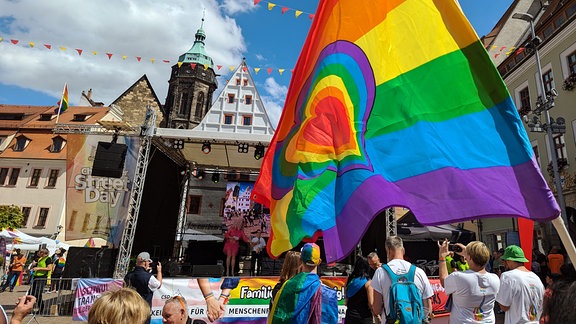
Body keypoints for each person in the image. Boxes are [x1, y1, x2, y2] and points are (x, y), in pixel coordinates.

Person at [269, 243, 338, 323]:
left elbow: (278, 318)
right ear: (319, 261)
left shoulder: (286, 288)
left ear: (300, 260)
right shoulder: (329, 294)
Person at [371, 236, 434, 322]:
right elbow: (428, 308)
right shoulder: (419, 272)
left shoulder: (380, 272)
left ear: (388, 250)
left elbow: (376, 309)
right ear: (403, 250)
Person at [438, 240, 500, 323]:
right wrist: (468, 253)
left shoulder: (459, 277)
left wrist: (442, 257)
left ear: (470, 257)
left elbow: (443, 281)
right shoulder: (495, 278)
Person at [496, 245, 544, 324]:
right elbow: (542, 303)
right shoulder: (535, 277)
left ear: (510, 260)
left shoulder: (508, 276)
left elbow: (504, 306)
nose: (504, 263)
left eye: (505, 260)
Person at [344, 255, 374, 324]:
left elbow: (346, 300)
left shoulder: (349, 280)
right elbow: (371, 304)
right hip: (364, 317)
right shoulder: (368, 283)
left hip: (350, 316)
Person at [29, 248, 53, 312]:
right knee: (31, 292)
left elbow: (49, 268)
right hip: (36, 277)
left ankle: (41, 308)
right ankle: (30, 308)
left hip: (42, 277)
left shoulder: (48, 259)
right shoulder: (40, 259)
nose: (38, 253)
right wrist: (34, 266)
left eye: (40, 252)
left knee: (38, 293)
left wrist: (38, 268)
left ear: (43, 253)